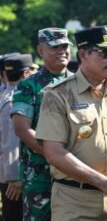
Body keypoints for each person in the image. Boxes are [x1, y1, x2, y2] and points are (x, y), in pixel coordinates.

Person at [34, 25, 107, 220]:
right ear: (83, 55)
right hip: (75, 202)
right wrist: (102, 182)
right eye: (104, 53)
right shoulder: (58, 94)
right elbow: (54, 153)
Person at [10, 27, 73, 220]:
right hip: (40, 176)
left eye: (64, 46)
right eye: (55, 47)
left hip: (74, 175)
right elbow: (21, 129)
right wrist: (55, 155)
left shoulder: (79, 83)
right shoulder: (28, 85)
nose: (61, 51)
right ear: (40, 51)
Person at [0, 54, 37, 221]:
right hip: (15, 179)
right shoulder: (15, 100)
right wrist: (15, 177)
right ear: (25, 74)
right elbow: (12, 142)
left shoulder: (4, 97)